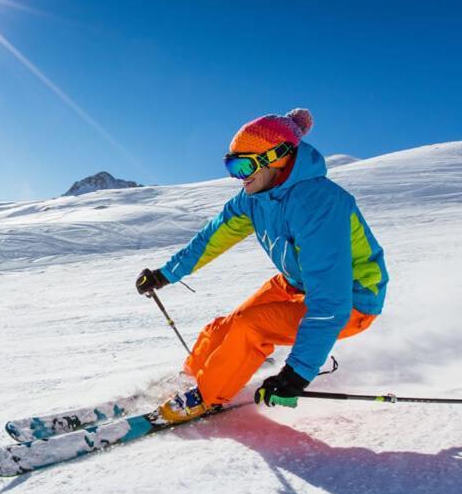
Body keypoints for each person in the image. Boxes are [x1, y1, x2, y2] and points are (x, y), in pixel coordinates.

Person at [135, 108, 388, 422]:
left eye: (243, 165)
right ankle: (191, 377)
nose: (238, 176)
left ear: (277, 157)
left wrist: (298, 372)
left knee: (250, 327)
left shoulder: (319, 203)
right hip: (296, 283)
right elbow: (212, 238)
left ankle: (205, 396)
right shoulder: (253, 197)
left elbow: (331, 300)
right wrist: (166, 274)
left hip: (352, 299)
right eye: (231, 166)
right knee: (225, 325)